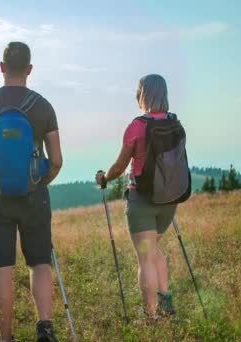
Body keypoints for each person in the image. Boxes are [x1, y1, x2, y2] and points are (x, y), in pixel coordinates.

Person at [0, 42, 63, 342]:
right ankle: (44, 328)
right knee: (40, 262)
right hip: (34, 196)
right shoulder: (42, 106)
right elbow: (56, 161)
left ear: (2, 67)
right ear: (29, 69)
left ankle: (6, 338)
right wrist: (38, 182)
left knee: (2, 267)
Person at [95, 74, 180, 320]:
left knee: (145, 258)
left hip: (142, 201)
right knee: (153, 250)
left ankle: (149, 316)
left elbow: (120, 165)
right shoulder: (174, 123)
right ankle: (166, 301)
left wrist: (105, 178)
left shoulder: (137, 126)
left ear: (142, 94)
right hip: (168, 201)